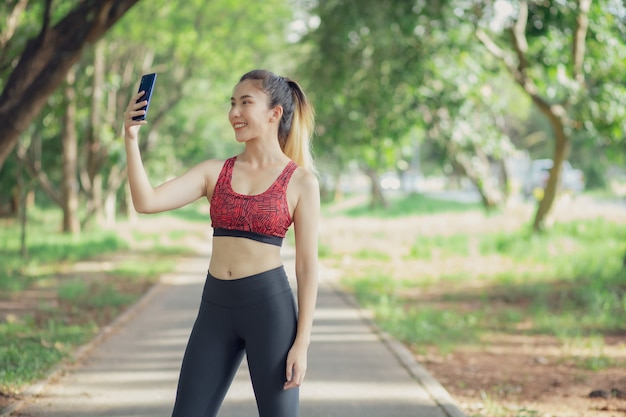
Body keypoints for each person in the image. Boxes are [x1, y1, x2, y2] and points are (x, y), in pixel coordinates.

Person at [123, 69, 320, 417]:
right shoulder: (215, 171)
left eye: (246, 102)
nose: (234, 113)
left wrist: (301, 343)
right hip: (215, 309)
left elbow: (306, 267)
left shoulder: (301, 181)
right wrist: (130, 138)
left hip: (269, 311)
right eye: (232, 103)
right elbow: (146, 202)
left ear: (275, 113)